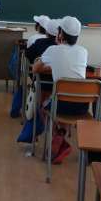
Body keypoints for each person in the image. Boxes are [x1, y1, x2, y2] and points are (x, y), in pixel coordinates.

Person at [33, 16, 88, 164]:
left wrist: (49, 65)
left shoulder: (52, 50)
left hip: (59, 105)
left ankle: (57, 135)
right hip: (82, 107)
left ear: (60, 34)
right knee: (67, 98)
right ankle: (61, 134)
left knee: (44, 106)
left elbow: (35, 69)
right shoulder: (83, 51)